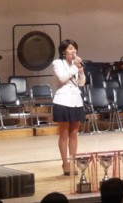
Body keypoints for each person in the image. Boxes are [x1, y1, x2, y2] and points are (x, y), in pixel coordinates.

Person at [51, 39, 86, 175]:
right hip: (63, 100)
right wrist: (75, 68)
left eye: (75, 48)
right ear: (63, 51)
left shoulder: (75, 65)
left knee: (74, 133)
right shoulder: (58, 63)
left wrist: (81, 72)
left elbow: (81, 83)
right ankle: (65, 163)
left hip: (76, 100)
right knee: (64, 134)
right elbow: (62, 78)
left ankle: (73, 162)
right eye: (71, 48)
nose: (73, 51)